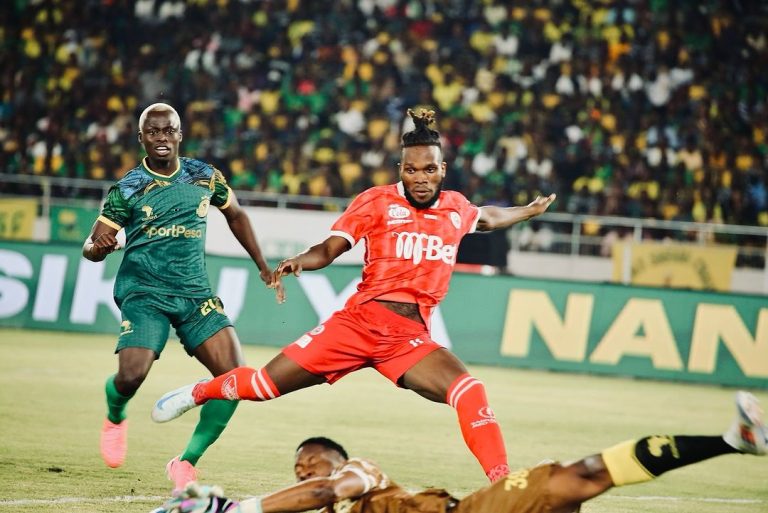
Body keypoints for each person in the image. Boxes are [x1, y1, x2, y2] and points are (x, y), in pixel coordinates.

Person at [152, 108, 556, 483]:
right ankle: (198, 394)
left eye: (429, 169)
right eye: (412, 169)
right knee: (262, 387)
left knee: (470, 391)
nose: (420, 177)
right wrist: (300, 261)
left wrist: (527, 211)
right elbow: (330, 249)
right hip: (357, 325)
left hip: (407, 340)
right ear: (401, 169)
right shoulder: (376, 201)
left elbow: (488, 217)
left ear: (442, 170)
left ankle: (503, 484)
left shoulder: (456, 208)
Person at [82, 102, 279, 490]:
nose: (162, 137)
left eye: (168, 130)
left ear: (180, 134)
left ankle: (185, 462)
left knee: (235, 379)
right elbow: (91, 245)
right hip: (144, 292)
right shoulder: (128, 188)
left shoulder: (204, 176)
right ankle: (116, 413)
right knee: (132, 376)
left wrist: (262, 264)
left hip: (194, 294)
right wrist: (98, 248)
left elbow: (236, 215)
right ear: (141, 138)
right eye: (153, 131)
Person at [151, 391, 767, 513]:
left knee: (579, 476)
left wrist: (233, 509)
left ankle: (728, 442)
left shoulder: (359, 474)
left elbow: (322, 492)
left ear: (334, 457)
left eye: (308, 458)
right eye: (297, 464)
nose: (301, 467)